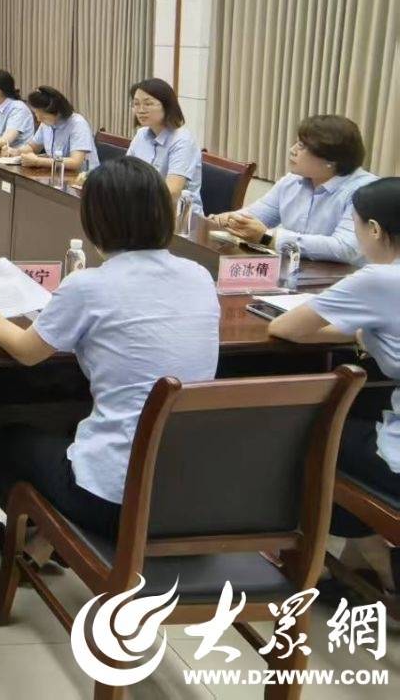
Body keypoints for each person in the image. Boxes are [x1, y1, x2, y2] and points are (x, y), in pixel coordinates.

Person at [0, 157, 218, 553]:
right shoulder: (199, 276)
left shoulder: (89, 286)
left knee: (11, 438)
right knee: (72, 424)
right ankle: (42, 545)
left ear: (96, 220)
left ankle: (29, 546)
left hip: (114, 502)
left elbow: (26, 352)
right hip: (190, 494)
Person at [268, 177, 400, 593]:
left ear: (374, 229)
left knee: (306, 432)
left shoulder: (379, 279)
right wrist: (365, 333)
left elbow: (285, 328)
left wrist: (360, 332)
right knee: (356, 415)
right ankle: (359, 565)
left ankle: (376, 561)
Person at [213, 115, 376, 264]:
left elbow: (345, 248)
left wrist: (268, 238)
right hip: (296, 271)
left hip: (343, 278)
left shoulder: (365, 191)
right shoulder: (292, 181)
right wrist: (231, 219)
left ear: (330, 160)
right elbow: (256, 215)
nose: (292, 150)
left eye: (302, 146)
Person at [125, 78, 201, 209]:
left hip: (177, 214)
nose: (141, 110)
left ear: (167, 106)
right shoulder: (141, 135)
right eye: (136, 104)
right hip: (142, 207)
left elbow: (172, 192)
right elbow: (125, 174)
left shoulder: (182, 140)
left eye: (148, 104)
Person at [18, 86, 100, 175]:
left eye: (43, 116)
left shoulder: (78, 124)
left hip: (83, 178)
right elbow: (33, 147)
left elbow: (75, 162)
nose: (38, 119)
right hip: (58, 174)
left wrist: (38, 161)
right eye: (36, 113)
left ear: (58, 113)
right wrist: (16, 152)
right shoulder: (46, 123)